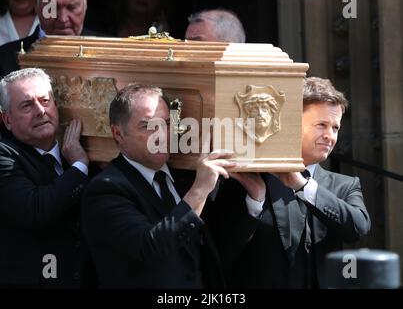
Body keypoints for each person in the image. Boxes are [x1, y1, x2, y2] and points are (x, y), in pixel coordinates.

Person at [207, 77, 371, 288]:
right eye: (321, 125)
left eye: (335, 128)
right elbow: (222, 252)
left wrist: (303, 186)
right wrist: (255, 201)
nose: (330, 136)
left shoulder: (345, 185)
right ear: (290, 123)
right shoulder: (249, 180)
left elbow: (358, 227)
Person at [81, 83, 235, 288]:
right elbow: (150, 247)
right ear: (118, 134)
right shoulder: (105, 189)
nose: (162, 134)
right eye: (147, 126)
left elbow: (216, 243)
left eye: (166, 123)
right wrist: (199, 190)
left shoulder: (184, 177)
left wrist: (256, 197)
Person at [0, 68, 94, 288]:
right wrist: (79, 166)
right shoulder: (4, 154)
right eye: (27, 105)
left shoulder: (83, 149)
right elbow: (35, 209)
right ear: (7, 120)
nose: (40, 111)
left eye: (45, 101)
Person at [0, 0, 97, 77]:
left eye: (71, 7)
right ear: (37, 4)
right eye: (51, 8)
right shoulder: (4, 59)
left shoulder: (110, 53)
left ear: (85, 3)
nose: (63, 19)